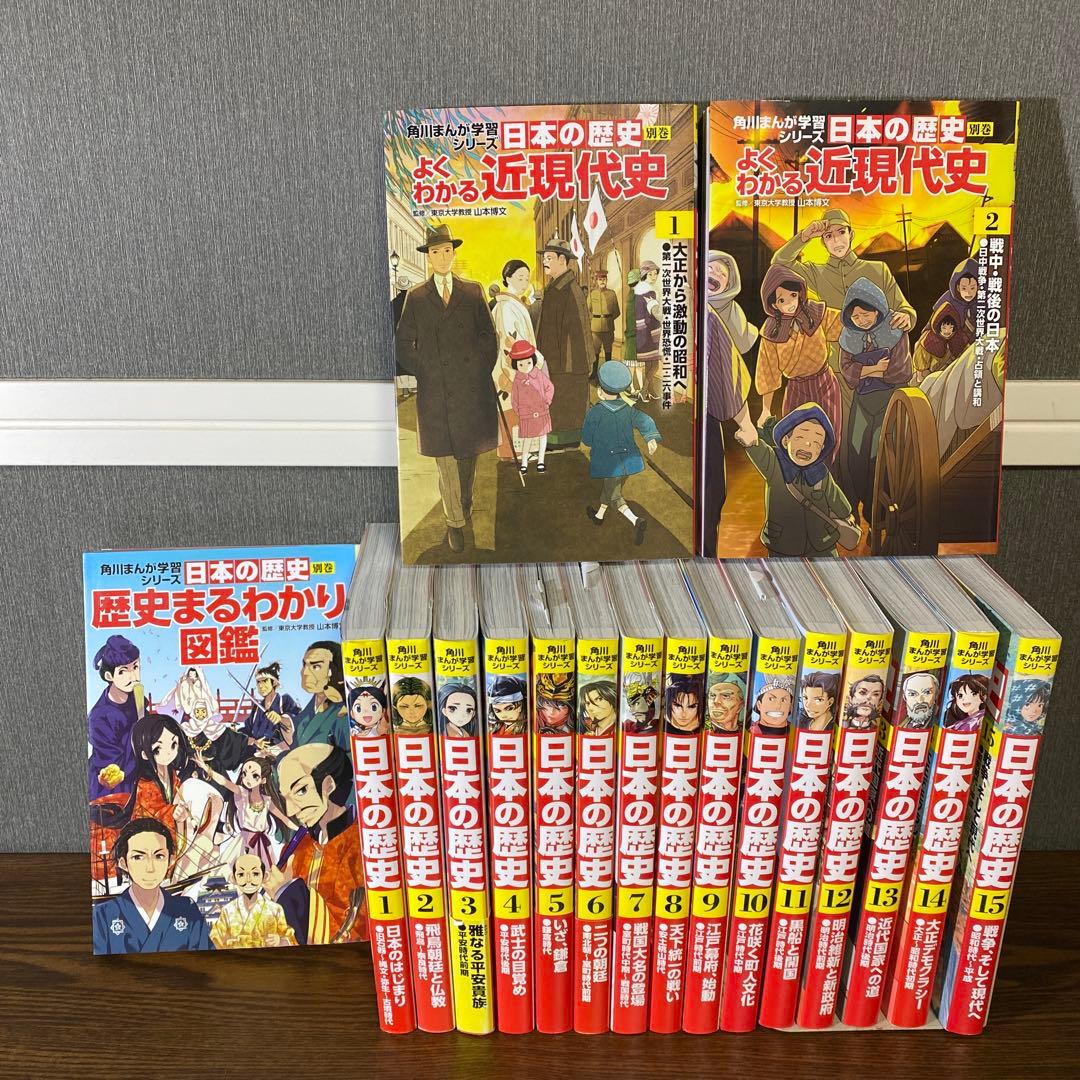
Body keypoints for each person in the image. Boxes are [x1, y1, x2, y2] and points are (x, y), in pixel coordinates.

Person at [395, 223, 499, 553]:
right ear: (428, 257)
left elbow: (488, 336)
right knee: (446, 461)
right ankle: (454, 522)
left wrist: (479, 368)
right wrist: (425, 369)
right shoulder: (416, 297)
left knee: (467, 458)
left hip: (471, 392)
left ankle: (463, 503)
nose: (442, 257)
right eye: (436, 252)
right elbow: (402, 343)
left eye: (447, 251)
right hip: (436, 394)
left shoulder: (472, 292)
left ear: (454, 254)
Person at [268, 743, 365, 945]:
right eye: (286, 798)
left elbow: (350, 931)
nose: (291, 811)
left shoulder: (362, 845)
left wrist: (286, 892)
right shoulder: (296, 848)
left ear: (328, 785)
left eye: (301, 790)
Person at [838, 277, 912, 523]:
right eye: (856, 316)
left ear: (877, 309)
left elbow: (901, 371)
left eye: (866, 314)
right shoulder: (848, 337)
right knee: (855, 454)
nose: (861, 320)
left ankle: (876, 516)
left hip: (888, 401)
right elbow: (847, 372)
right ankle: (859, 508)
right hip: (862, 403)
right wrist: (874, 369)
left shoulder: (895, 330)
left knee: (880, 456)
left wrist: (864, 370)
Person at [742, 402, 855, 557]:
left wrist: (846, 514)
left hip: (822, 542)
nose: (808, 444)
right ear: (785, 440)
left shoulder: (821, 472)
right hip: (783, 543)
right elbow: (761, 452)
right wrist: (752, 443)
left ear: (822, 449)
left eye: (816, 442)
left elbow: (834, 495)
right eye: (801, 437)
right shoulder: (775, 463)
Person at [702, 251, 758, 554]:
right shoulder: (709, 318)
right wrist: (745, 423)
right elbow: (727, 378)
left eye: (723, 273)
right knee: (710, 496)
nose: (715, 274)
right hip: (702, 419)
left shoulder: (728, 314)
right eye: (710, 268)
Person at [755, 265, 844, 449]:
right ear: (774, 304)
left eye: (793, 295)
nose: (790, 303)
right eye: (782, 299)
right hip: (796, 389)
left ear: (800, 294)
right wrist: (765, 409)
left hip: (825, 383)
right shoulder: (771, 331)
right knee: (795, 440)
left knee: (830, 437)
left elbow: (846, 322)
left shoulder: (815, 313)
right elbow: (767, 371)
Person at [92, 818, 211, 954]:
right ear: (123, 863)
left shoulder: (187, 909)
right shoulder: (102, 915)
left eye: (159, 856)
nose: (150, 868)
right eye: (138, 857)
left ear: (171, 860)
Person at [581, 359, 661, 545]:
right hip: (628, 462)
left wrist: (590, 442)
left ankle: (636, 521)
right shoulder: (628, 410)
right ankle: (599, 516)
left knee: (614, 496)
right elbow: (645, 420)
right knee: (611, 489)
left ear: (600, 391)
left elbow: (587, 436)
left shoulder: (596, 412)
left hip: (609, 464)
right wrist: (650, 438)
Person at [535, 234, 593, 447]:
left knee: (567, 404)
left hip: (568, 364)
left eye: (549, 258)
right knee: (557, 403)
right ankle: (558, 440)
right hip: (554, 360)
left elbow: (581, 330)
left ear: (562, 260)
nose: (544, 262)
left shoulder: (570, 289)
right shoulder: (555, 287)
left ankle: (566, 443)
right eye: (544, 258)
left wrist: (579, 363)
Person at [195, 750, 292, 869]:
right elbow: (224, 782)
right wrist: (206, 768)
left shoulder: (267, 801)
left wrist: (303, 829)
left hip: (261, 843)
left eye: (254, 776)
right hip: (243, 841)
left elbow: (284, 818)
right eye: (244, 774)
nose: (247, 779)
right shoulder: (242, 793)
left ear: (263, 780)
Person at [491, 258, 539, 462]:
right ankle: (514, 453)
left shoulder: (513, 304)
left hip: (519, 363)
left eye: (527, 278)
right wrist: (531, 362)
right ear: (508, 278)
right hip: (512, 366)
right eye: (520, 278)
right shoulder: (506, 307)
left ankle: (517, 451)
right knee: (512, 409)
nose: (524, 282)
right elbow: (512, 341)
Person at [87, 634, 143, 801]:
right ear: (109, 676)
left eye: (135, 667)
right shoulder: (99, 717)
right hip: (110, 787)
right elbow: (113, 766)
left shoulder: (136, 697)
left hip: (137, 775)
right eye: (123, 671)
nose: (133, 676)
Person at [210, 853, 297, 950]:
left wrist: (279, 941)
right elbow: (216, 938)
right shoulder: (227, 910)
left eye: (255, 874)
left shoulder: (275, 909)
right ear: (234, 879)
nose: (248, 879)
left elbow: (291, 939)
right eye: (241, 874)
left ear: (264, 876)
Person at [287, 640, 349, 751]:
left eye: (316, 666)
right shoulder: (305, 713)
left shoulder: (344, 713)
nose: (305, 672)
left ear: (336, 671)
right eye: (305, 665)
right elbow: (294, 750)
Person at [509, 339, 554, 474]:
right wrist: (519, 411)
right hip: (526, 415)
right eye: (521, 364)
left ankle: (541, 461)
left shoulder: (539, 374)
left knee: (542, 437)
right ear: (516, 365)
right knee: (527, 439)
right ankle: (524, 463)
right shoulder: (517, 380)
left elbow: (550, 387)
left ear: (533, 361)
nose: (525, 367)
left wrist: (547, 401)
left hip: (542, 412)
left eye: (528, 363)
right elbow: (514, 398)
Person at [241, 661, 299, 752]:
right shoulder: (256, 708)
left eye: (264, 681)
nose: (260, 685)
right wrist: (251, 740)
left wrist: (281, 719)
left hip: (282, 752)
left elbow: (299, 722)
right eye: (258, 682)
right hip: (258, 754)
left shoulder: (284, 701)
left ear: (274, 682)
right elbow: (247, 730)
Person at [912, 305, 967, 385]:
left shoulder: (959, 339)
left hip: (951, 375)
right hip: (929, 375)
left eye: (950, 327)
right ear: (938, 326)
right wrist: (920, 377)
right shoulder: (929, 339)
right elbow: (920, 360)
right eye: (944, 328)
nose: (947, 331)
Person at [633, 260, 663, 401]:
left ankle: (649, 390)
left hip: (648, 333)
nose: (654, 276)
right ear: (644, 274)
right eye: (650, 274)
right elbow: (653, 314)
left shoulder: (647, 291)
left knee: (650, 364)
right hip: (647, 334)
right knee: (654, 364)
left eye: (655, 274)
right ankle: (644, 390)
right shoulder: (644, 291)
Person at [589, 268, 621, 370]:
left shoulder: (612, 294)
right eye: (600, 279)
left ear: (607, 280)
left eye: (604, 279)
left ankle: (608, 372)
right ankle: (594, 372)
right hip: (595, 329)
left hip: (608, 328)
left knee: (608, 350)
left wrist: (608, 319)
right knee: (595, 351)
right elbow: (587, 310)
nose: (602, 281)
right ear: (597, 281)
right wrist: (593, 320)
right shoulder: (592, 294)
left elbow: (617, 311)